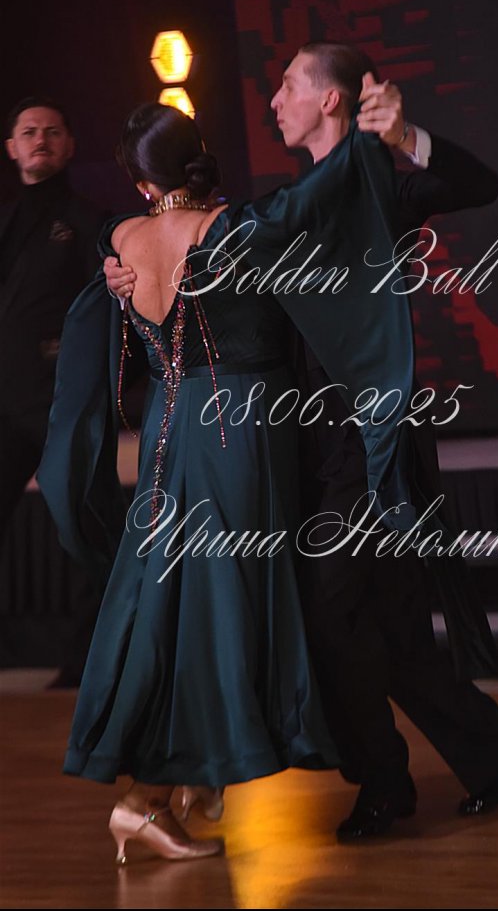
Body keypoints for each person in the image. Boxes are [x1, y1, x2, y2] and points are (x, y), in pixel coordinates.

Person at [107, 44, 498, 842]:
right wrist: (130, 279)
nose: (273, 99)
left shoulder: (378, 182)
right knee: (387, 617)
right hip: (303, 442)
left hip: (369, 438)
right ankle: (487, 745)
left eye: (288, 86)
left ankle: (384, 782)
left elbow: (476, 184)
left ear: (331, 101)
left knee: (332, 613)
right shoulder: (277, 205)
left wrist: (406, 137)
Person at [38, 99, 418, 861]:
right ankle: (152, 793)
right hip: (237, 432)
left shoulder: (120, 240)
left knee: (177, 608)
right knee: (224, 612)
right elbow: (313, 202)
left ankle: (184, 781)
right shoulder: (232, 227)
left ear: (140, 182)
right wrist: (371, 138)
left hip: (167, 435)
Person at [0, 96, 105, 686]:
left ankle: (88, 663)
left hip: (60, 404)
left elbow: (112, 311)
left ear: (69, 146)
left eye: (52, 131)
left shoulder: (90, 222)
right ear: (11, 148)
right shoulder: (5, 222)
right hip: (4, 404)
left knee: (83, 530)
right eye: (28, 131)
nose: (40, 139)